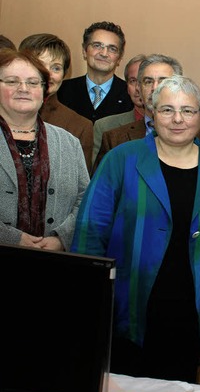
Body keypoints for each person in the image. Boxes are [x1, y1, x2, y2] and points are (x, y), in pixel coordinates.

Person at [71, 75, 200, 383]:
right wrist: (88, 296)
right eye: (166, 110)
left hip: (189, 309)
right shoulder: (122, 159)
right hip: (125, 306)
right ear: (152, 113)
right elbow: (91, 230)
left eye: (187, 110)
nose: (177, 119)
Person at [0, 49, 88, 250]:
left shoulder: (68, 142)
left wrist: (62, 239)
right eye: (12, 81)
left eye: (33, 82)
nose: (23, 88)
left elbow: (85, 198)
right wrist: (10, 238)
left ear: (44, 91)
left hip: (55, 263)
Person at [92, 54, 200, 172]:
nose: (155, 88)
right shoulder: (114, 138)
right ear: (139, 89)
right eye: (148, 81)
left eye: (164, 81)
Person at [19, 33, 94, 171]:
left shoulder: (80, 126)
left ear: (64, 74)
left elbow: (80, 186)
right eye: (39, 64)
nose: (48, 74)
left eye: (56, 68)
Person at [56, 21, 133, 122]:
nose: (104, 53)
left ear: (119, 58)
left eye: (112, 49)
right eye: (97, 45)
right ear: (84, 51)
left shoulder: (130, 95)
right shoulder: (61, 91)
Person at [92, 54, 147, 162]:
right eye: (133, 81)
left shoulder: (175, 125)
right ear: (127, 87)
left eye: (146, 81)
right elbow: (98, 175)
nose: (138, 88)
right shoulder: (105, 127)